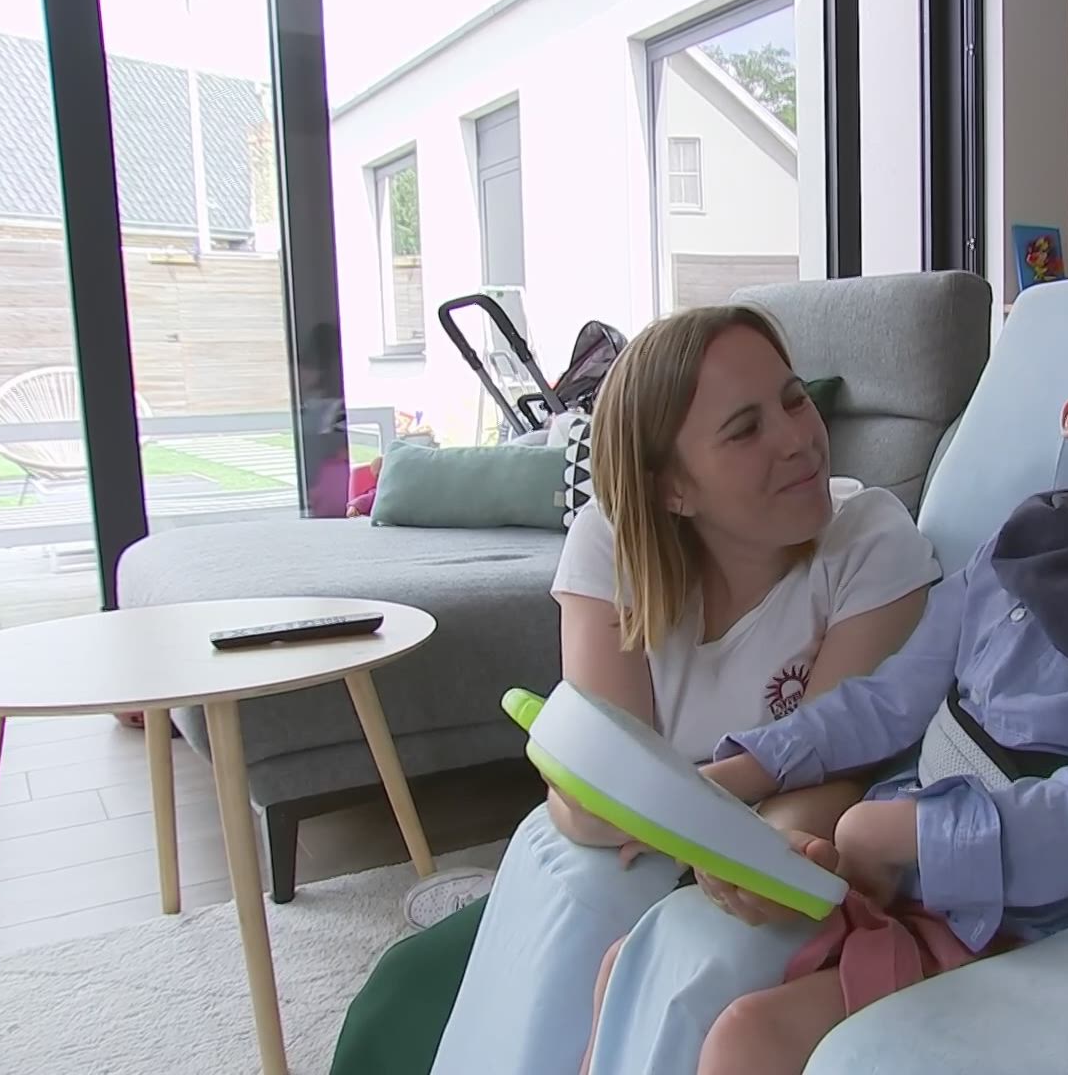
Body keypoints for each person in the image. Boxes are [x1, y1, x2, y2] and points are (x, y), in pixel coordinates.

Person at [580, 291, 1068, 1075]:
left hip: (1008, 918)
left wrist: (913, 835)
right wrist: (738, 771)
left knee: (749, 1040)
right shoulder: (1018, 546)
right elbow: (891, 698)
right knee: (632, 965)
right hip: (892, 872)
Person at [329, 303, 941, 1074]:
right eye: (745, 429)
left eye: (794, 400)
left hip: (753, 860)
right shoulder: (612, 537)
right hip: (615, 860)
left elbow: (830, 763)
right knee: (400, 997)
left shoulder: (873, 542)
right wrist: (602, 804)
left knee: (652, 973)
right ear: (671, 488)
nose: (798, 440)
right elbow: (591, 786)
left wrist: (750, 856)